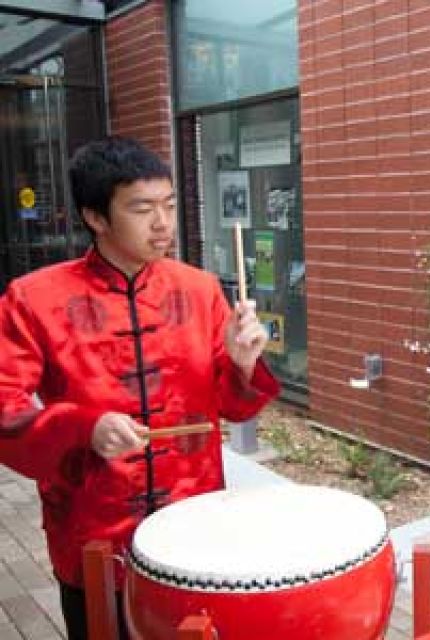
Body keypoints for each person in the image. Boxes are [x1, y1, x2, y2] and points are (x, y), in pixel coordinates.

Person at [0, 137, 280, 638]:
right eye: (142, 208)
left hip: (194, 522)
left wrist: (241, 365)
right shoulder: (34, 299)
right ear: (96, 217)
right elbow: (6, 410)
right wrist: (84, 427)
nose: (163, 224)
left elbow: (232, 409)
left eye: (169, 206)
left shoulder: (199, 289)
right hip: (92, 531)